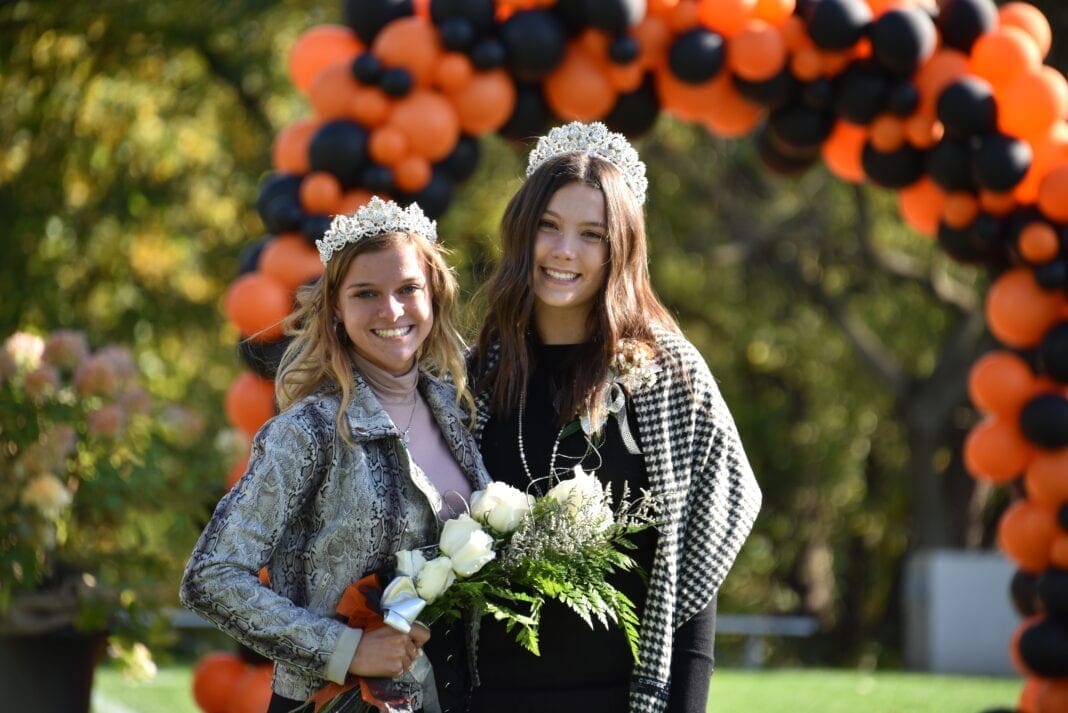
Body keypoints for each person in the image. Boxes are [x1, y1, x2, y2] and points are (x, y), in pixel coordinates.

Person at [457, 122, 763, 713]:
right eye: (548, 226)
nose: (564, 251)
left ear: (620, 248)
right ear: (523, 234)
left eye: (592, 234)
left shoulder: (670, 377)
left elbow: (692, 578)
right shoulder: (476, 376)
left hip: (622, 697)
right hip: (488, 696)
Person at [180, 196, 490, 713]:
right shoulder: (308, 432)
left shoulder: (459, 414)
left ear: (433, 296)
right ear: (338, 312)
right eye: (366, 293)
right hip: (336, 704)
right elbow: (211, 576)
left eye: (408, 289)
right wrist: (345, 650)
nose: (391, 311)